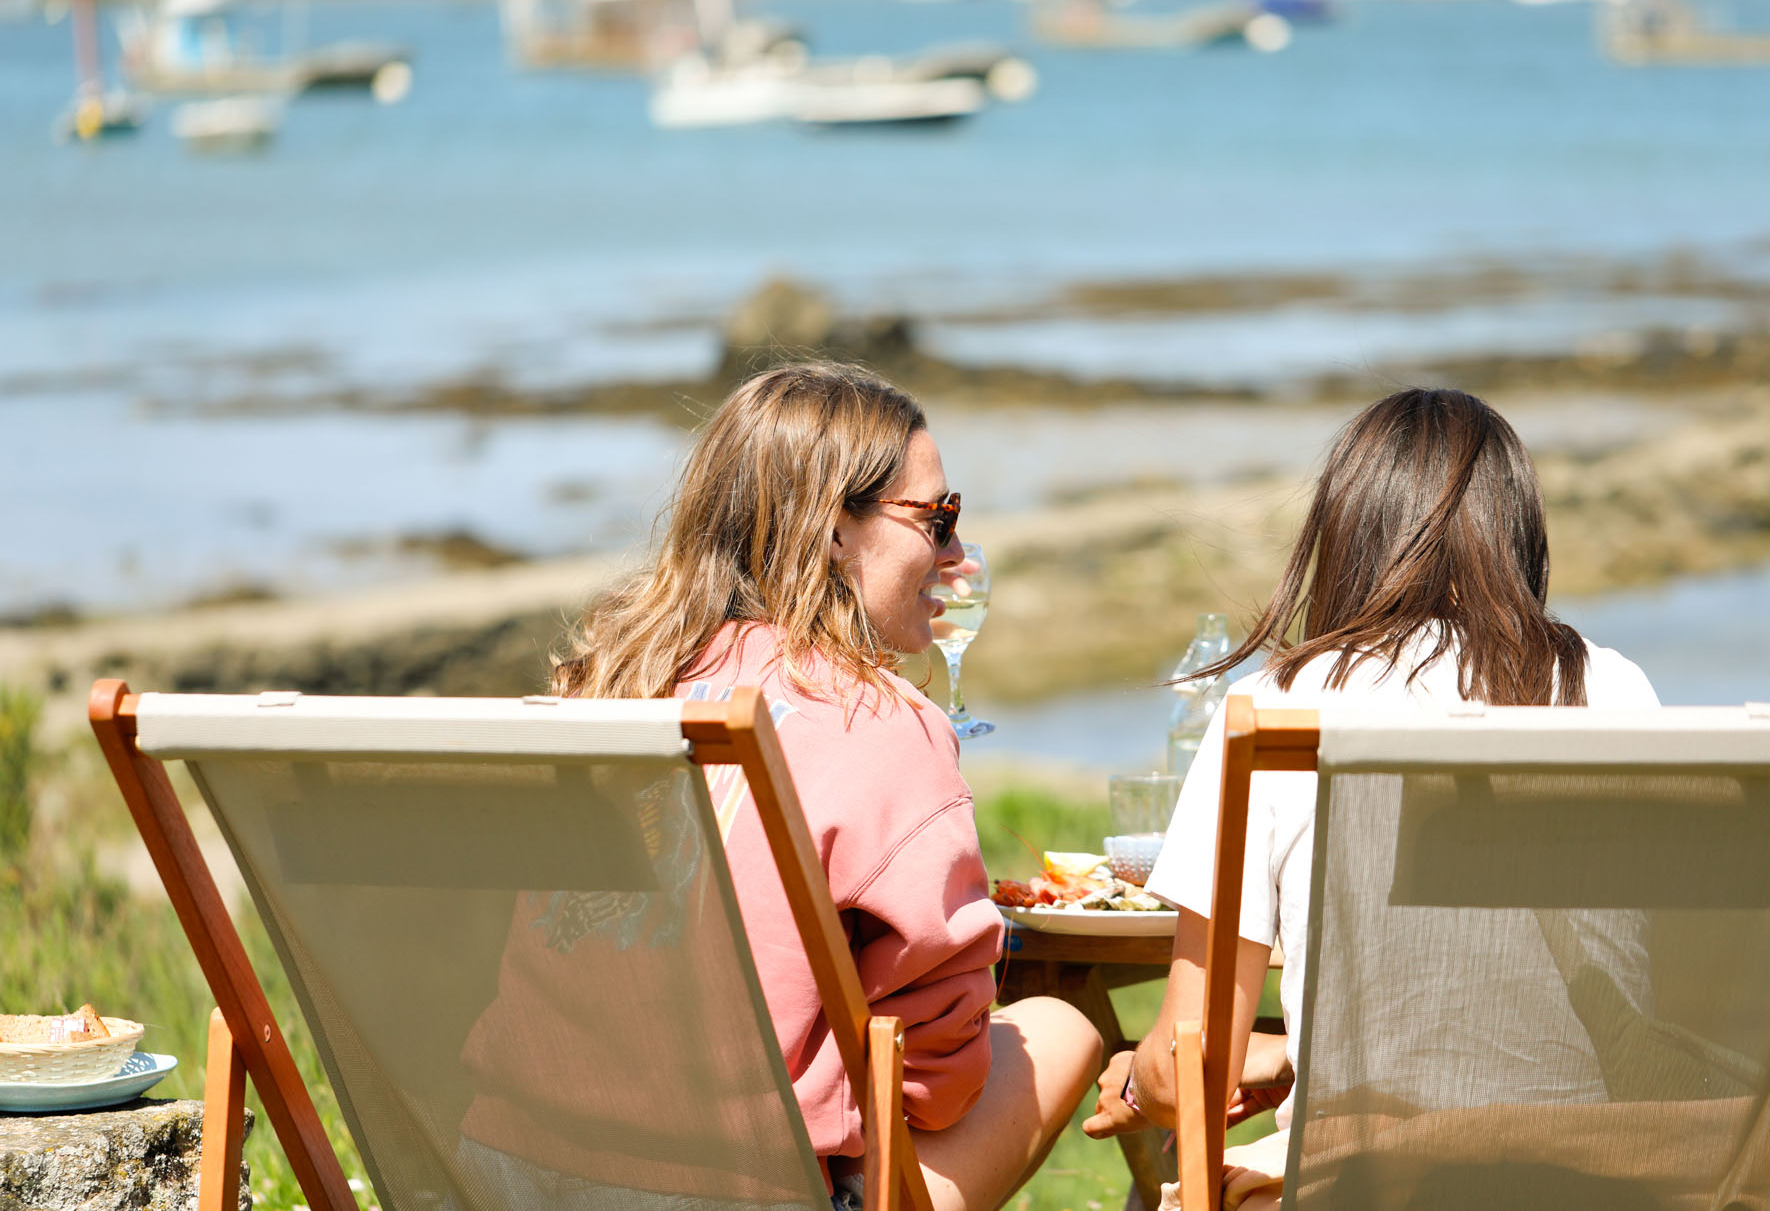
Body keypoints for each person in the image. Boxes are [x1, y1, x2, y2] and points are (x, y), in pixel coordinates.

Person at [462, 362, 1098, 1211]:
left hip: (506, 1169)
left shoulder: (611, 688)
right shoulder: (878, 723)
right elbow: (940, 1080)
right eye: (937, 519)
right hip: (728, 1191)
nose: (954, 556)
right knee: (1062, 1029)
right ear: (836, 529)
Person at [1083, 388, 1662, 1206]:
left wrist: (1142, 1085)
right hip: (1600, 1179)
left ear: (1349, 535)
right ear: (1517, 532)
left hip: (1365, 1184)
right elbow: (1625, 1009)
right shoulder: (1615, 690)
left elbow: (1191, 1064)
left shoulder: (1286, 700)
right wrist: (1290, 1057)